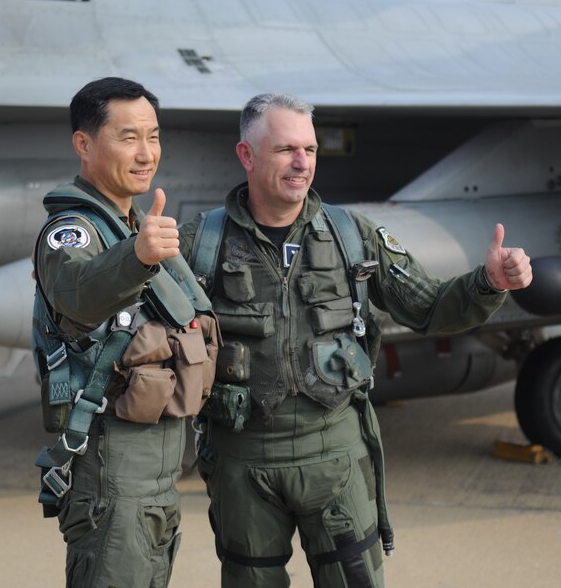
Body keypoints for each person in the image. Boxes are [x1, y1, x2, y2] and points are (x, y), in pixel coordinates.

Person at [178, 93, 532, 588]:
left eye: (311, 149)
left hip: (336, 455)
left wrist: (489, 282)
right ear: (247, 155)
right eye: (285, 150)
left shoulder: (351, 236)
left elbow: (428, 307)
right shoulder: (202, 244)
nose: (302, 163)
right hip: (243, 461)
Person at [33, 77, 214, 588]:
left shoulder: (132, 225)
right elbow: (78, 295)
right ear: (84, 143)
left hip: (155, 470)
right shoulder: (73, 231)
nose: (146, 153)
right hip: (111, 469)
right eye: (128, 137)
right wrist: (136, 258)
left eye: (153, 136)